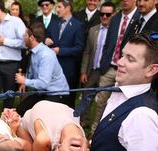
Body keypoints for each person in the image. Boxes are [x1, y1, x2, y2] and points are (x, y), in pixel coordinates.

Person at [90, 0, 139, 136]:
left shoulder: (139, 18)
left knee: (119, 103)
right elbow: (108, 43)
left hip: (127, 71)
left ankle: (112, 133)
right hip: (109, 68)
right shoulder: (116, 18)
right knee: (101, 101)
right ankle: (95, 132)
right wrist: (104, 62)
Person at [15, 22, 69, 116]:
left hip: (56, 94)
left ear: (31, 38)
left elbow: (44, 83)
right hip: (43, 92)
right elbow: (33, 74)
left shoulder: (46, 55)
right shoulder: (34, 52)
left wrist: (25, 80)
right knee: (20, 109)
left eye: (25, 35)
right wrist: (24, 82)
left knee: (37, 115)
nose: (23, 38)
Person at [0, 0, 26, 114]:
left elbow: (24, 43)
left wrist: (5, 41)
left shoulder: (16, 21)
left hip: (11, 65)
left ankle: (7, 125)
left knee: (9, 98)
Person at [79, 2, 116, 129]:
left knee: (103, 101)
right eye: (102, 14)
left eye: (108, 14)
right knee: (85, 96)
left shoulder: (116, 32)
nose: (104, 17)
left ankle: (99, 125)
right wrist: (83, 71)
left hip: (108, 71)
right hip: (93, 70)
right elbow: (87, 51)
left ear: (113, 14)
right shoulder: (93, 30)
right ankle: (84, 121)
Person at [45, 0, 85, 108]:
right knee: (51, 98)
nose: (56, 10)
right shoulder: (53, 23)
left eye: (59, 7)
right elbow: (46, 36)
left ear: (68, 8)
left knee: (67, 100)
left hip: (68, 69)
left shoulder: (78, 26)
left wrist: (60, 51)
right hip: (52, 68)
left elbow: (79, 48)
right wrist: (46, 39)